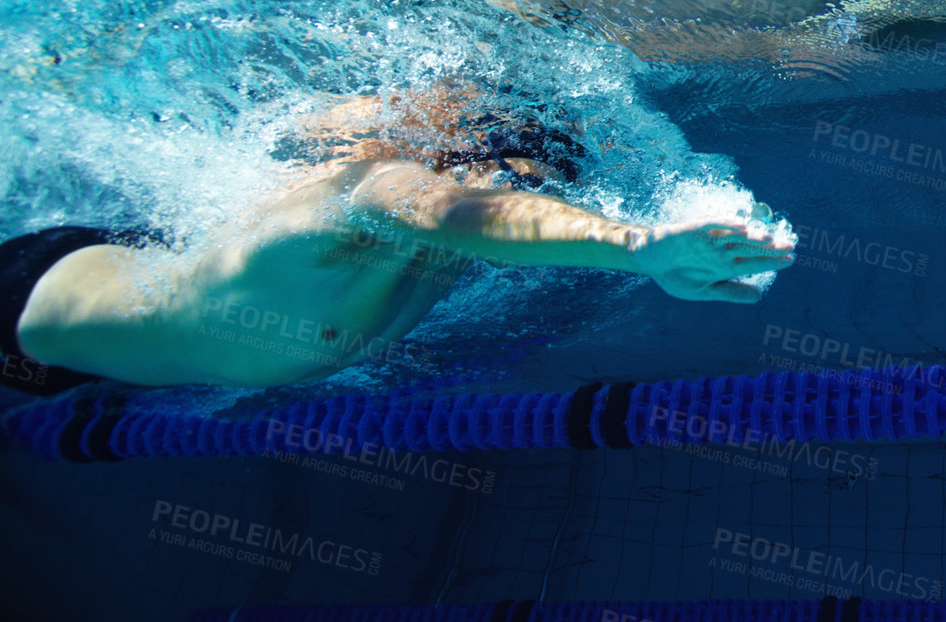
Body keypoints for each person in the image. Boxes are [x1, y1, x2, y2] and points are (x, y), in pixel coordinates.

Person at [1, 86, 793, 395]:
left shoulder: (424, 230)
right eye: (513, 174)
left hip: (131, 297)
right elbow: (457, 213)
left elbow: (493, 220)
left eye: (531, 180)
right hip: (25, 296)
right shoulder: (371, 195)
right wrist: (637, 246)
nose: (523, 189)